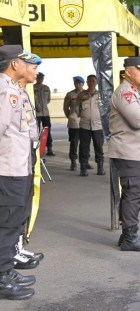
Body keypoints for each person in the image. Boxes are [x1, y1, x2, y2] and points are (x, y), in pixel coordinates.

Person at [107, 56, 140, 252]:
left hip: (136, 152)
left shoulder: (135, 92)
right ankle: (130, 237)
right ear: (128, 72)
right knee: (133, 195)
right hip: (128, 153)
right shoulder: (125, 94)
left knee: (133, 194)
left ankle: (127, 234)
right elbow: (138, 121)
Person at [0, 45, 38, 300]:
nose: (28, 66)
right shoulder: (6, 91)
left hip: (17, 165)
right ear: (14, 64)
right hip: (8, 168)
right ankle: (2, 278)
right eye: (25, 62)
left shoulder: (12, 89)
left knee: (11, 222)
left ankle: (6, 270)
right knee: (7, 223)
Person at [14, 51, 45, 271]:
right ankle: (11, 253)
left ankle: (17, 246)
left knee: (24, 202)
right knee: (13, 206)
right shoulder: (10, 91)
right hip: (14, 156)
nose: (36, 71)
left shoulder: (23, 90)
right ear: (20, 66)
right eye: (33, 67)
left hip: (27, 153)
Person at [78, 75, 104, 176]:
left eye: (93, 81)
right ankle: (83, 168)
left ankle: (100, 168)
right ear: (87, 82)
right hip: (85, 125)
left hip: (98, 126)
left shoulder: (101, 94)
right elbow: (78, 109)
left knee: (99, 147)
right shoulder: (82, 95)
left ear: (96, 82)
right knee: (84, 147)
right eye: (89, 81)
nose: (91, 83)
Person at [63, 76, 85, 171]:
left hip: (85, 123)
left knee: (85, 144)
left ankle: (85, 162)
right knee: (74, 143)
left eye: (79, 83)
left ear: (83, 84)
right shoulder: (70, 94)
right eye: (76, 83)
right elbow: (65, 108)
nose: (78, 85)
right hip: (74, 123)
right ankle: (73, 162)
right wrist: (71, 117)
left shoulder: (87, 94)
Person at [34, 72, 54, 156]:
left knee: (47, 131)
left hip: (45, 113)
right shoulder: (32, 88)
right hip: (37, 113)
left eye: (42, 78)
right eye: (39, 78)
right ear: (36, 78)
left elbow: (48, 100)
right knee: (36, 131)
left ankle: (49, 148)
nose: (40, 79)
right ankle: (36, 149)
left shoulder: (46, 88)